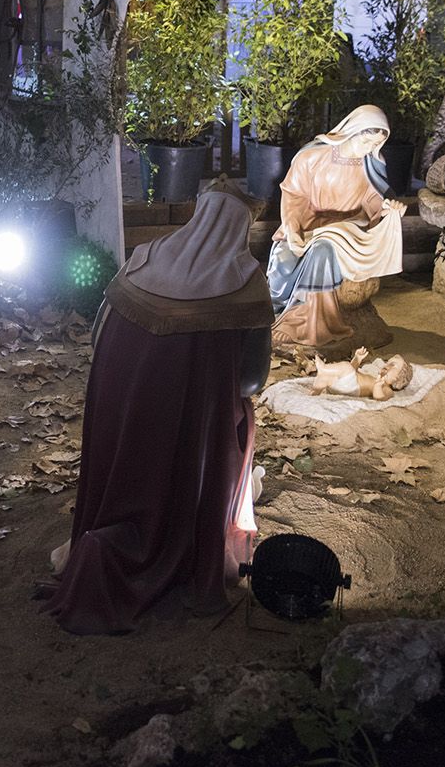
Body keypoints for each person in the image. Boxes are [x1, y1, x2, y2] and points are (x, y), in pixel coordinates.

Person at [45, 178, 274, 635]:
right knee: (242, 419)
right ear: (240, 227)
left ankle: (108, 534)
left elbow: (97, 337)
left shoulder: (143, 258)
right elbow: (251, 380)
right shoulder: (246, 280)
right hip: (189, 431)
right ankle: (185, 536)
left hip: (118, 411)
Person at [267, 105, 405, 348]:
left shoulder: (370, 165)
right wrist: (293, 229)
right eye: (367, 141)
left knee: (322, 250)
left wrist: (389, 210)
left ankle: (304, 321)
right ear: (353, 130)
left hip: (348, 230)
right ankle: (284, 310)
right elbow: (294, 196)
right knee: (285, 260)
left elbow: (374, 202)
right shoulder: (311, 157)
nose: (371, 148)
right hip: (307, 224)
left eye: (376, 144)